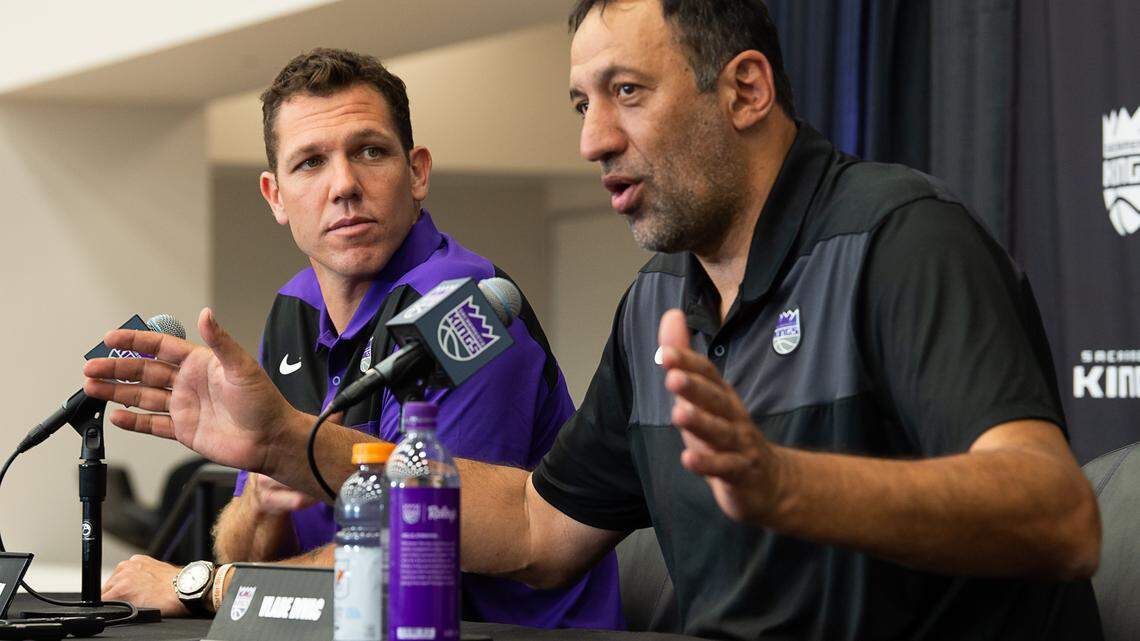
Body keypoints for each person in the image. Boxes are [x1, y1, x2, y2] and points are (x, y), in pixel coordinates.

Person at [83, 2, 1104, 639]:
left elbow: (1058, 514)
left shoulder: (899, 236)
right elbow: (534, 524)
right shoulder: (660, 299)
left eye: (625, 92)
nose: (591, 138)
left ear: (745, 88)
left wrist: (788, 482)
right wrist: (294, 443)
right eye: (580, 103)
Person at [96, 48, 623, 630]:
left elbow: (417, 566)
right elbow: (249, 548)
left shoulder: (464, 308)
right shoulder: (294, 306)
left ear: (417, 171)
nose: (344, 185)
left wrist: (200, 586)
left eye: (369, 151)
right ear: (275, 196)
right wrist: (260, 506)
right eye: (311, 163)